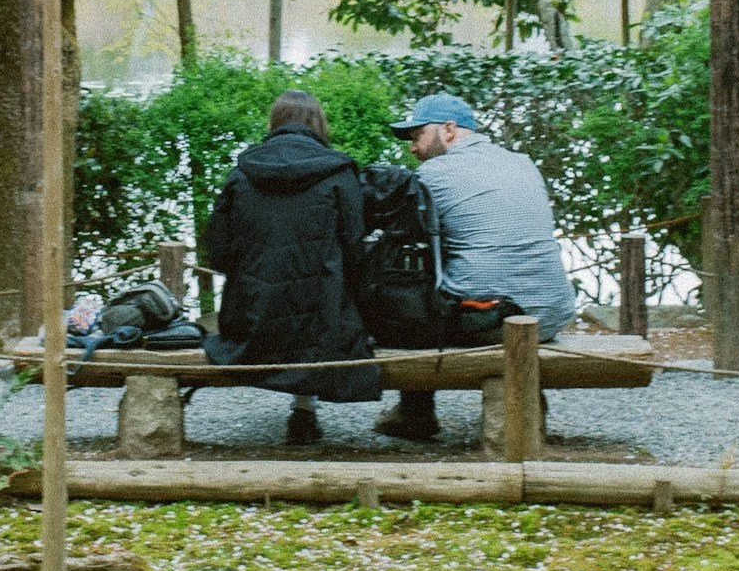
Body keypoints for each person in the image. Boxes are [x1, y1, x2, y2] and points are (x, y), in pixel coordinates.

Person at [375, 92, 576, 442]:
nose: (413, 148)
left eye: (418, 135)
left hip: (491, 319)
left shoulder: (433, 174)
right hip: (552, 312)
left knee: (412, 297)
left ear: (449, 129)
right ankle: (526, 407)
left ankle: (415, 413)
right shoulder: (522, 162)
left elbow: (411, 246)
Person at [201, 89, 384, 444]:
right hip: (321, 315)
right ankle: (304, 409)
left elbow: (218, 250)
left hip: (252, 317)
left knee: (295, 312)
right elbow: (355, 247)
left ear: (274, 122)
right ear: (318, 123)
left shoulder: (242, 173)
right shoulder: (338, 172)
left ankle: (303, 409)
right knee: (322, 311)